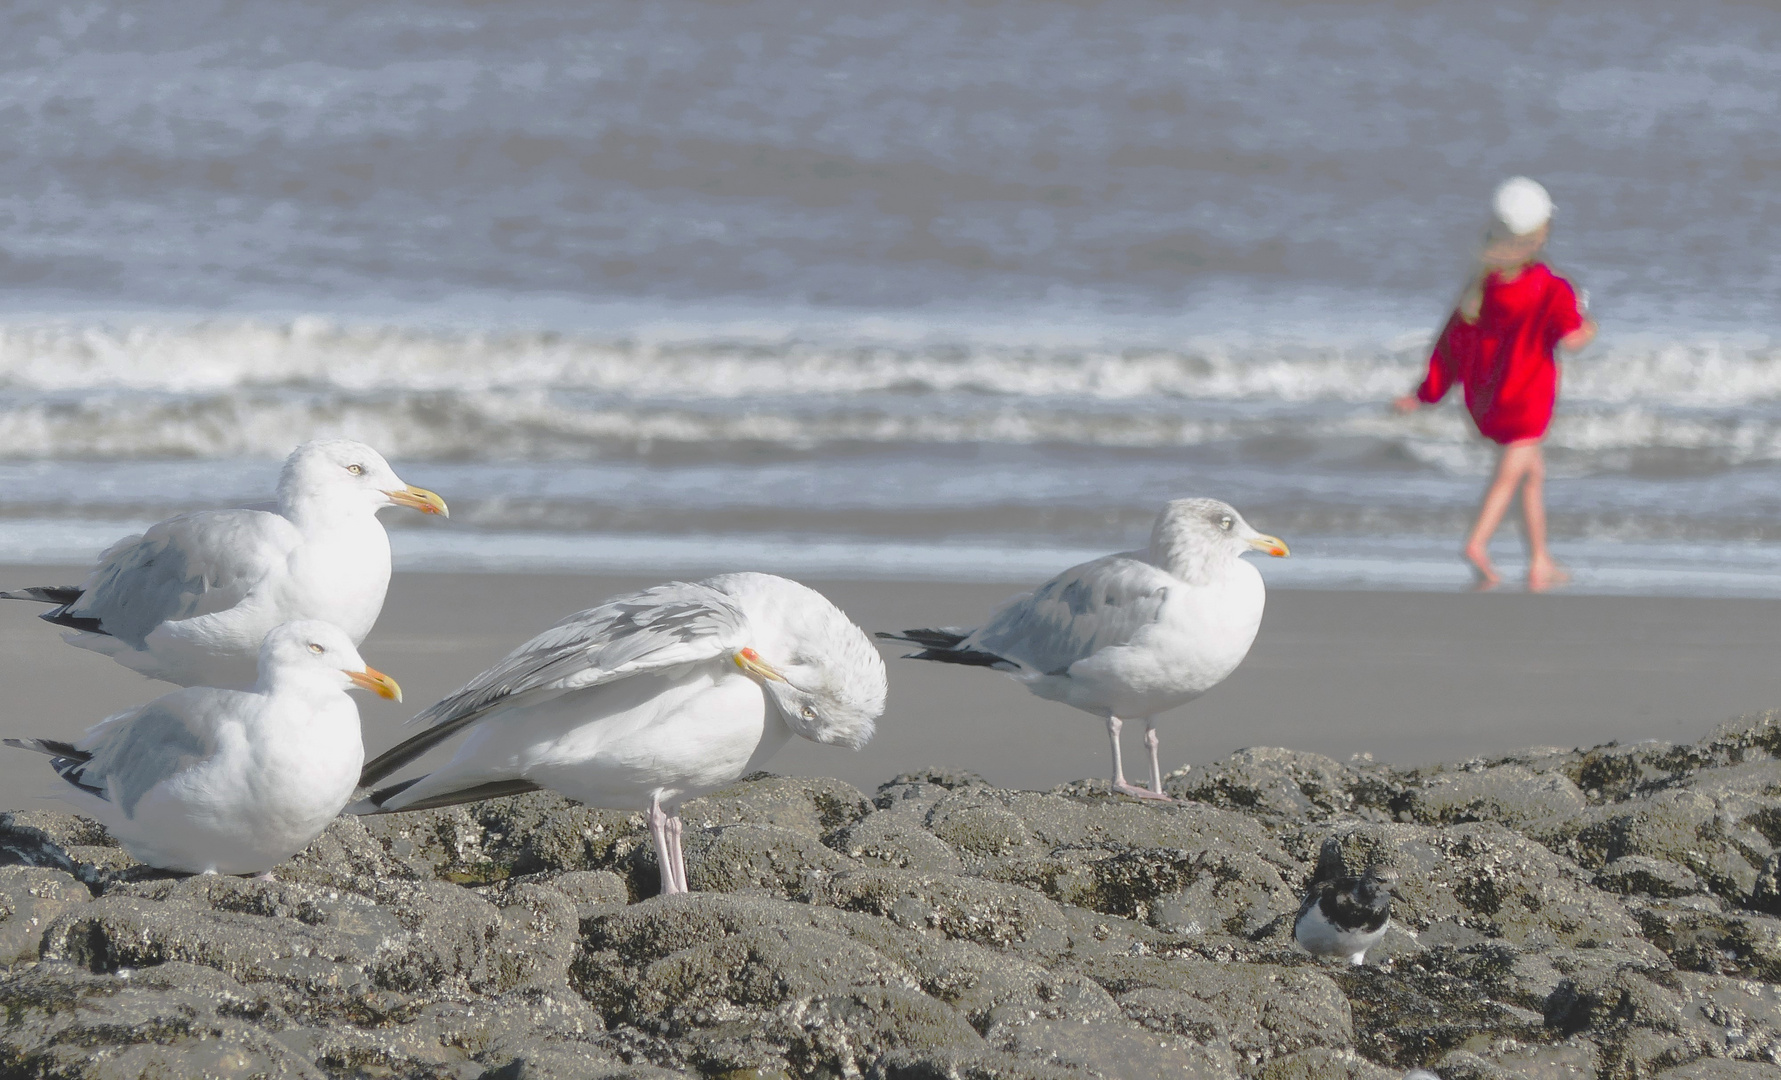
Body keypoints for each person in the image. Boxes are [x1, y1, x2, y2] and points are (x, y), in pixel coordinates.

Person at [1394, 177, 1597, 592]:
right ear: (1541, 233)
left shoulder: (1480, 288)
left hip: (1487, 401)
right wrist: (1589, 324)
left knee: (1531, 473)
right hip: (1527, 402)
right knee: (1512, 472)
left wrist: (1424, 394)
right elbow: (1573, 338)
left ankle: (1540, 559)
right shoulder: (1551, 287)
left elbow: (1449, 343)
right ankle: (1477, 542)